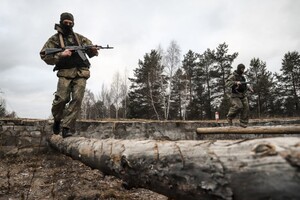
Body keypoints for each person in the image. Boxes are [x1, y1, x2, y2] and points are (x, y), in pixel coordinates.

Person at [40, 12, 99, 138]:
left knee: (77, 100)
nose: (68, 25)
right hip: (65, 73)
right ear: (61, 22)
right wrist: (61, 55)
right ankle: (57, 119)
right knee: (61, 99)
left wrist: (93, 50)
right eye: (66, 22)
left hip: (81, 72)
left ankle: (67, 128)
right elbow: (44, 54)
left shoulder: (79, 38)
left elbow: (91, 49)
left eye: (70, 23)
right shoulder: (54, 39)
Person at [226, 64, 254, 128]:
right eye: (242, 69)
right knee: (239, 106)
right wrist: (235, 83)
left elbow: (245, 85)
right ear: (239, 69)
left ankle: (243, 123)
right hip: (235, 96)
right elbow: (227, 83)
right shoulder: (233, 76)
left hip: (243, 95)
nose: (243, 70)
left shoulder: (243, 77)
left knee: (246, 108)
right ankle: (229, 117)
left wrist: (249, 89)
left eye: (243, 69)